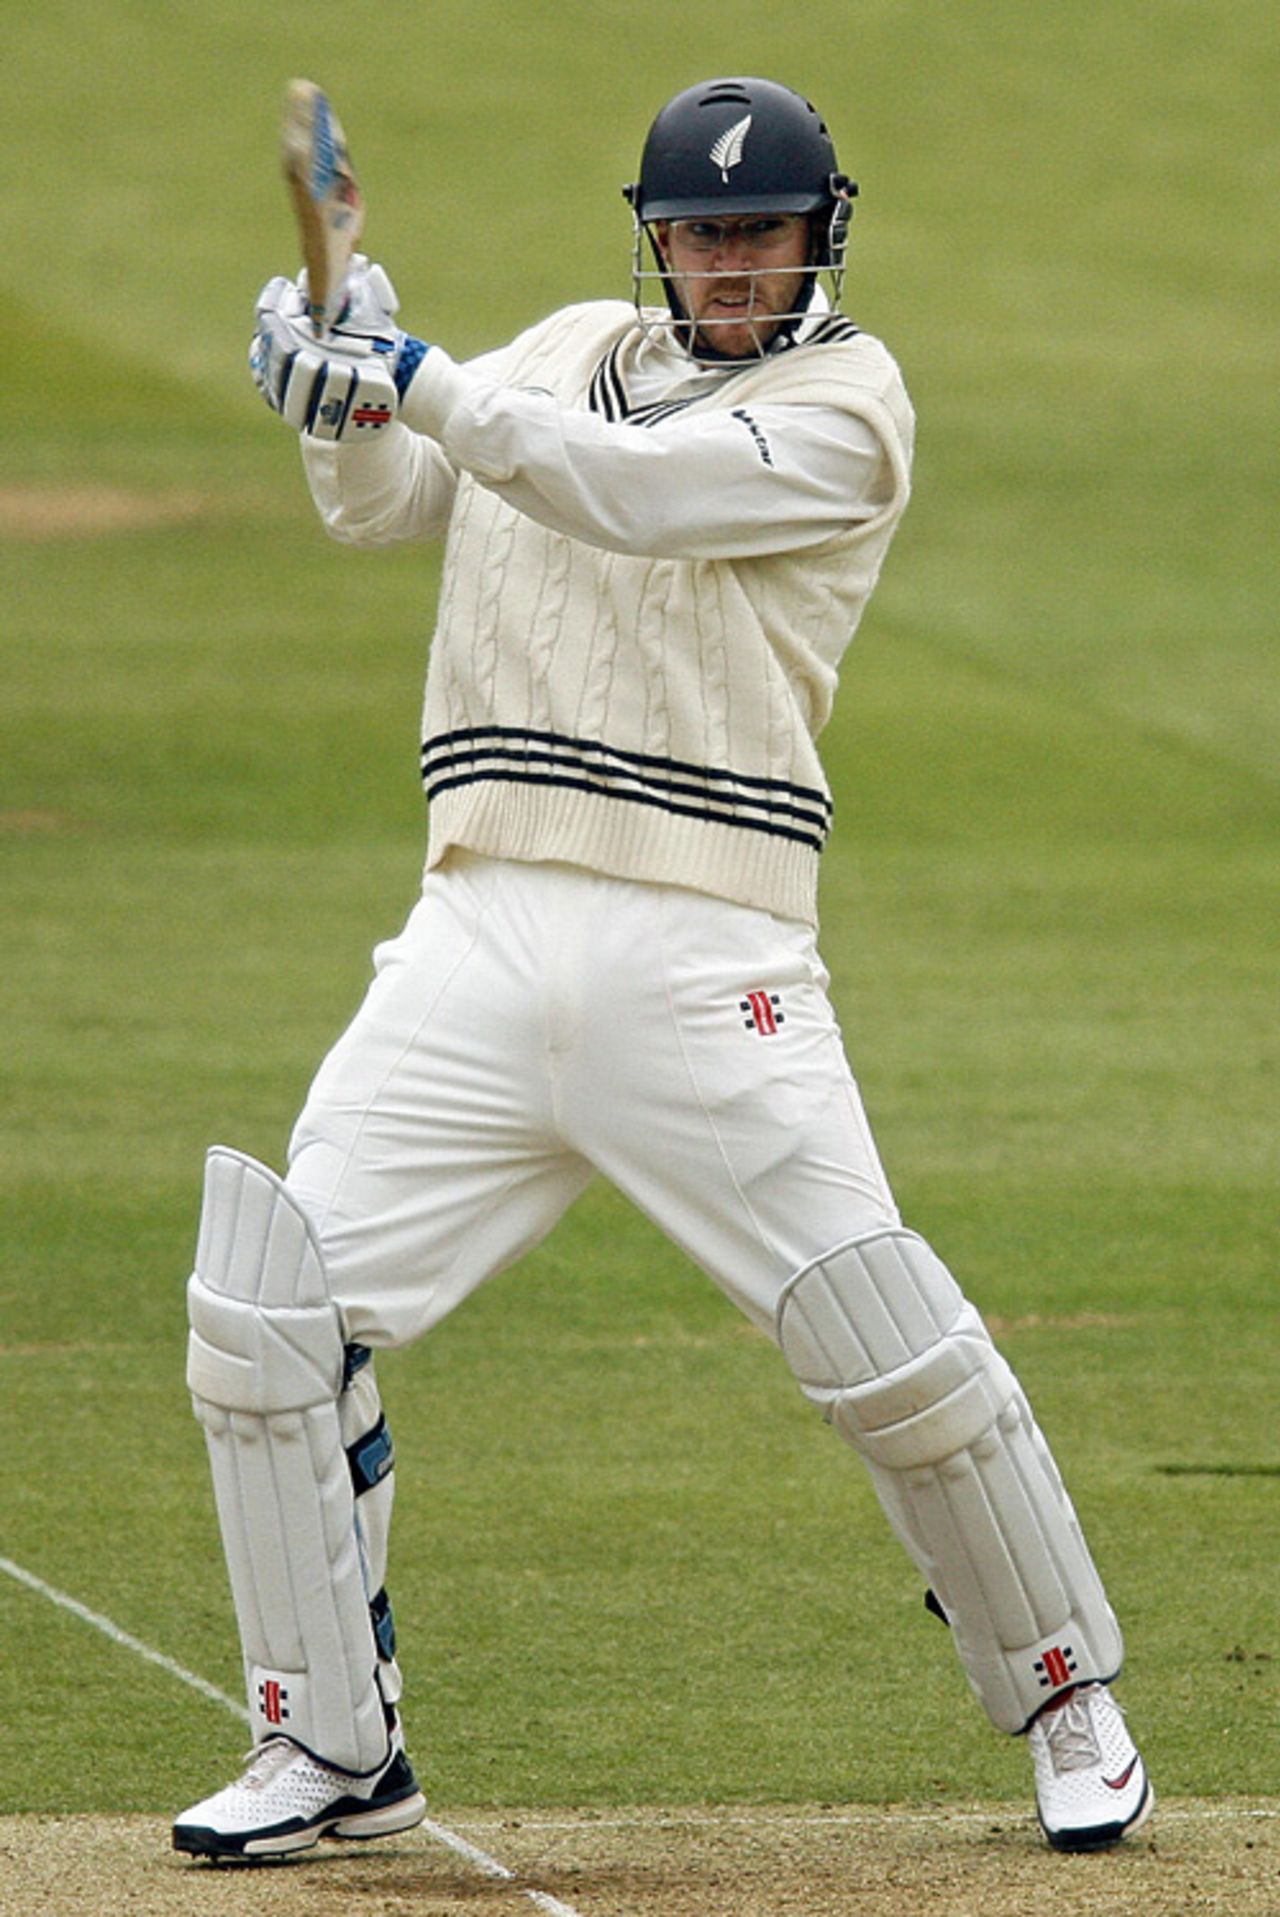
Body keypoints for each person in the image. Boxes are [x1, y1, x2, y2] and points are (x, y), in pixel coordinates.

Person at [173, 76, 1152, 1863]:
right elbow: (390, 504)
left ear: (816, 237)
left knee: (890, 1349)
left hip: (711, 956)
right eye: (699, 234)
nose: (726, 265)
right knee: (268, 1315)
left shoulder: (851, 404)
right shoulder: (558, 349)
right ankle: (331, 1749)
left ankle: (1068, 1691)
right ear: (656, 238)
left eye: (757, 234)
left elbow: (625, 491)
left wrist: (425, 378)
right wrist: (335, 383)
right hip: (475, 928)